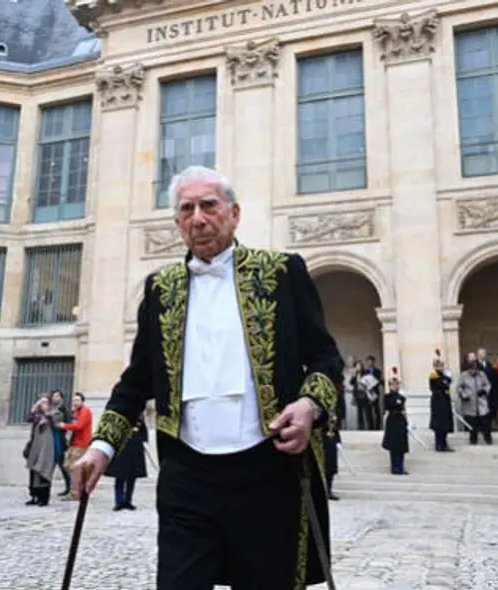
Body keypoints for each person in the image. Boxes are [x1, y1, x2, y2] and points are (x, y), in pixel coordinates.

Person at [69, 165, 343, 590]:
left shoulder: (283, 273)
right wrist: (100, 448)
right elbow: (136, 381)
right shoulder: (161, 289)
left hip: (268, 470)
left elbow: (326, 358)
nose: (198, 217)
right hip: (187, 476)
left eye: (209, 206)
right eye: (186, 209)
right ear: (177, 222)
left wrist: (308, 405)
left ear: (234, 213)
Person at [106, 410, 149, 510]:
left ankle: (128, 500)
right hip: (122, 450)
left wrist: (142, 442)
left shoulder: (139, 417)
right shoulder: (119, 416)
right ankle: (119, 501)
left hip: (135, 450)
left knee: (132, 477)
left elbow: (143, 432)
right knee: (120, 477)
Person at [24, 397, 56, 506]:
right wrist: (34, 408)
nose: (43, 405)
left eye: (45, 403)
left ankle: (44, 498)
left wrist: (47, 414)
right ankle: (34, 496)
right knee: (33, 472)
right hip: (35, 445)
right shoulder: (37, 416)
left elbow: (56, 423)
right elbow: (29, 418)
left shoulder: (53, 415)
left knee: (43, 470)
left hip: (46, 447)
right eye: (41, 403)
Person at [61, 392, 92, 501]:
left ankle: (75, 493)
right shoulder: (76, 412)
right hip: (74, 443)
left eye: (77, 400)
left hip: (81, 444)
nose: (75, 402)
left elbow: (79, 426)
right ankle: (78, 491)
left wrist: (64, 425)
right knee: (70, 467)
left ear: (82, 401)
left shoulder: (85, 411)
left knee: (75, 468)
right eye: (74, 400)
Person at [457, 359, 491, 445]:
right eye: (472, 369)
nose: (474, 371)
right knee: (472, 424)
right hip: (469, 402)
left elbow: (488, 384)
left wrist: (484, 391)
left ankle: (488, 438)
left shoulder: (481, 374)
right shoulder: (464, 375)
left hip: (481, 402)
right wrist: (463, 395)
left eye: (475, 369)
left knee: (485, 423)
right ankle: (473, 439)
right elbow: (459, 387)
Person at [381, 375, 409, 475]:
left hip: (400, 420)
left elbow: (402, 407)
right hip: (392, 420)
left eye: (397, 384)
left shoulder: (401, 397)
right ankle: (394, 467)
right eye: (393, 385)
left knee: (401, 446)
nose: (395, 386)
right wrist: (397, 400)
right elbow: (390, 405)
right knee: (393, 446)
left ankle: (400, 466)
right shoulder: (387, 397)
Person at [429, 351, 454, 452]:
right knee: (439, 424)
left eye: (441, 365)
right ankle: (439, 444)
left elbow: (448, 382)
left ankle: (444, 443)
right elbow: (442, 384)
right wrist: (446, 378)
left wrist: (446, 378)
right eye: (438, 366)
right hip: (438, 401)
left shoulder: (443, 375)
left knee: (445, 423)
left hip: (445, 400)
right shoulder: (433, 375)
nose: (440, 367)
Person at [50, 390, 72, 496]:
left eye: (57, 396)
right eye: (54, 396)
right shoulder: (48, 408)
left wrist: (61, 426)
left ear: (61, 398)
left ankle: (69, 487)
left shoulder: (64, 410)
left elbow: (68, 423)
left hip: (59, 439)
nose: (55, 398)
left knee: (62, 465)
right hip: (49, 439)